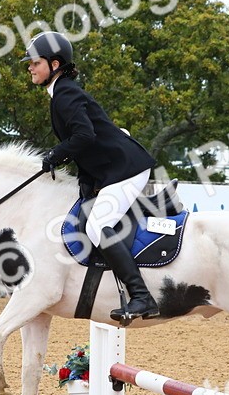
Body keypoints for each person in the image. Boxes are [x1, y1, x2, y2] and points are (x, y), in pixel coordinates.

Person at [21, 31, 160, 322]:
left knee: (99, 225)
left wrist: (54, 156)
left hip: (126, 168)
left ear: (55, 64)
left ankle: (141, 297)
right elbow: (86, 144)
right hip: (112, 169)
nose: (30, 68)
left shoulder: (65, 94)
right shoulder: (62, 93)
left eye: (35, 62)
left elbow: (84, 135)